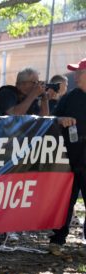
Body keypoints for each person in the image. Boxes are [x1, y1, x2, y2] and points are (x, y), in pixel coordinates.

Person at [49, 58, 86, 256]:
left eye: (80, 72)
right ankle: (57, 239)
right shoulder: (70, 97)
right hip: (70, 158)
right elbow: (52, 119)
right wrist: (60, 120)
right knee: (65, 201)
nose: (76, 76)